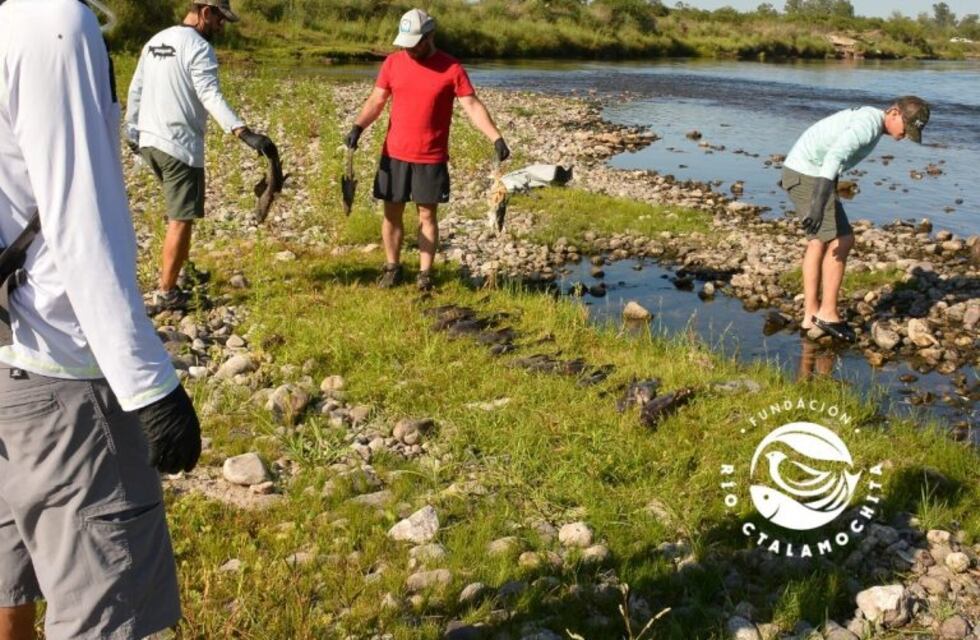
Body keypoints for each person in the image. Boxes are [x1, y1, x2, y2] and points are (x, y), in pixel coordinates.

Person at [0, 1, 202, 638]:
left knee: (10, 581)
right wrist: (150, 383)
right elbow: (80, 217)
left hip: (7, 361)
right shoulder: (54, 21)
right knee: (107, 616)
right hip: (61, 368)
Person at [345, 8, 511, 291]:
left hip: (430, 157)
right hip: (394, 153)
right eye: (405, 44)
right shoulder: (393, 63)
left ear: (430, 36)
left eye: (415, 43)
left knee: (427, 216)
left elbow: (471, 105)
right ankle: (392, 267)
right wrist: (358, 127)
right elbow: (377, 99)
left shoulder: (452, 68)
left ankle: (424, 275)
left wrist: (496, 137)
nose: (409, 49)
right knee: (391, 213)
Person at [126, 0, 275, 311]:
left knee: (177, 214)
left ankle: (179, 271)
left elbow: (136, 87)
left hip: (150, 141)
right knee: (181, 219)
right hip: (179, 146)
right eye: (220, 19)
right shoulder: (198, 47)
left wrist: (132, 131)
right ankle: (167, 292)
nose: (222, 26)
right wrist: (243, 132)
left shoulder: (157, 40)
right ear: (206, 12)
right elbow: (210, 95)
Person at [781, 96, 930, 342]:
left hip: (804, 171)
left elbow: (832, 154)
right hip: (807, 174)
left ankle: (811, 315)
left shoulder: (870, 121)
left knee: (818, 241)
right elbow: (833, 158)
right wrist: (818, 205)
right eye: (906, 127)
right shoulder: (867, 126)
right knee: (843, 239)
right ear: (894, 113)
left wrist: (829, 194)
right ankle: (826, 314)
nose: (905, 135)